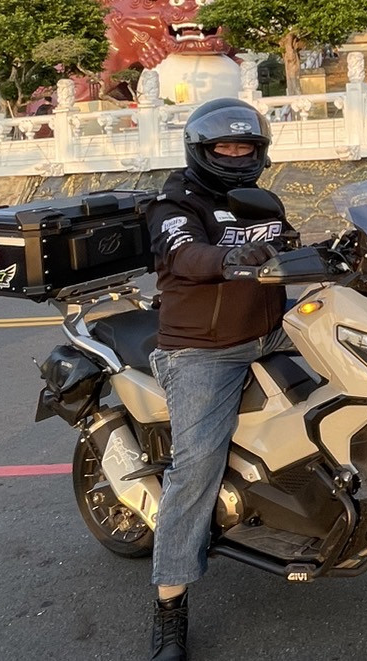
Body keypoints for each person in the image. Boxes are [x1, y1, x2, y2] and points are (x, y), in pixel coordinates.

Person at [144, 97, 295, 661]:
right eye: (225, 147)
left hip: (272, 331)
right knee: (196, 466)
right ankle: (170, 604)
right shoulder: (174, 203)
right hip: (204, 350)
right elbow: (185, 254)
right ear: (202, 151)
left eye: (245, 146)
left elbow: (289, 243)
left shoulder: (263, 200)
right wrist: (228, 260)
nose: (235, 155)